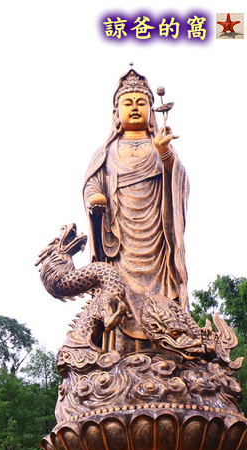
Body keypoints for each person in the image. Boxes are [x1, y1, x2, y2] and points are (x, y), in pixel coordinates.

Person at [83, 68, 189, 347]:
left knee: (161, 300)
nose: (134, 108)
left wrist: (165, 154)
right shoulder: (106, 152)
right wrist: (95, 199)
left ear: (151, 111)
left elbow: (179, 184)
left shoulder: (159, 146)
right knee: (118, 294)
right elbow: (92, 184)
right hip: (120, 242)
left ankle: (165, 351)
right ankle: (118, 357)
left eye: (141, 103)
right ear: (116, 112)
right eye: (127, 103)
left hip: (156, 243)